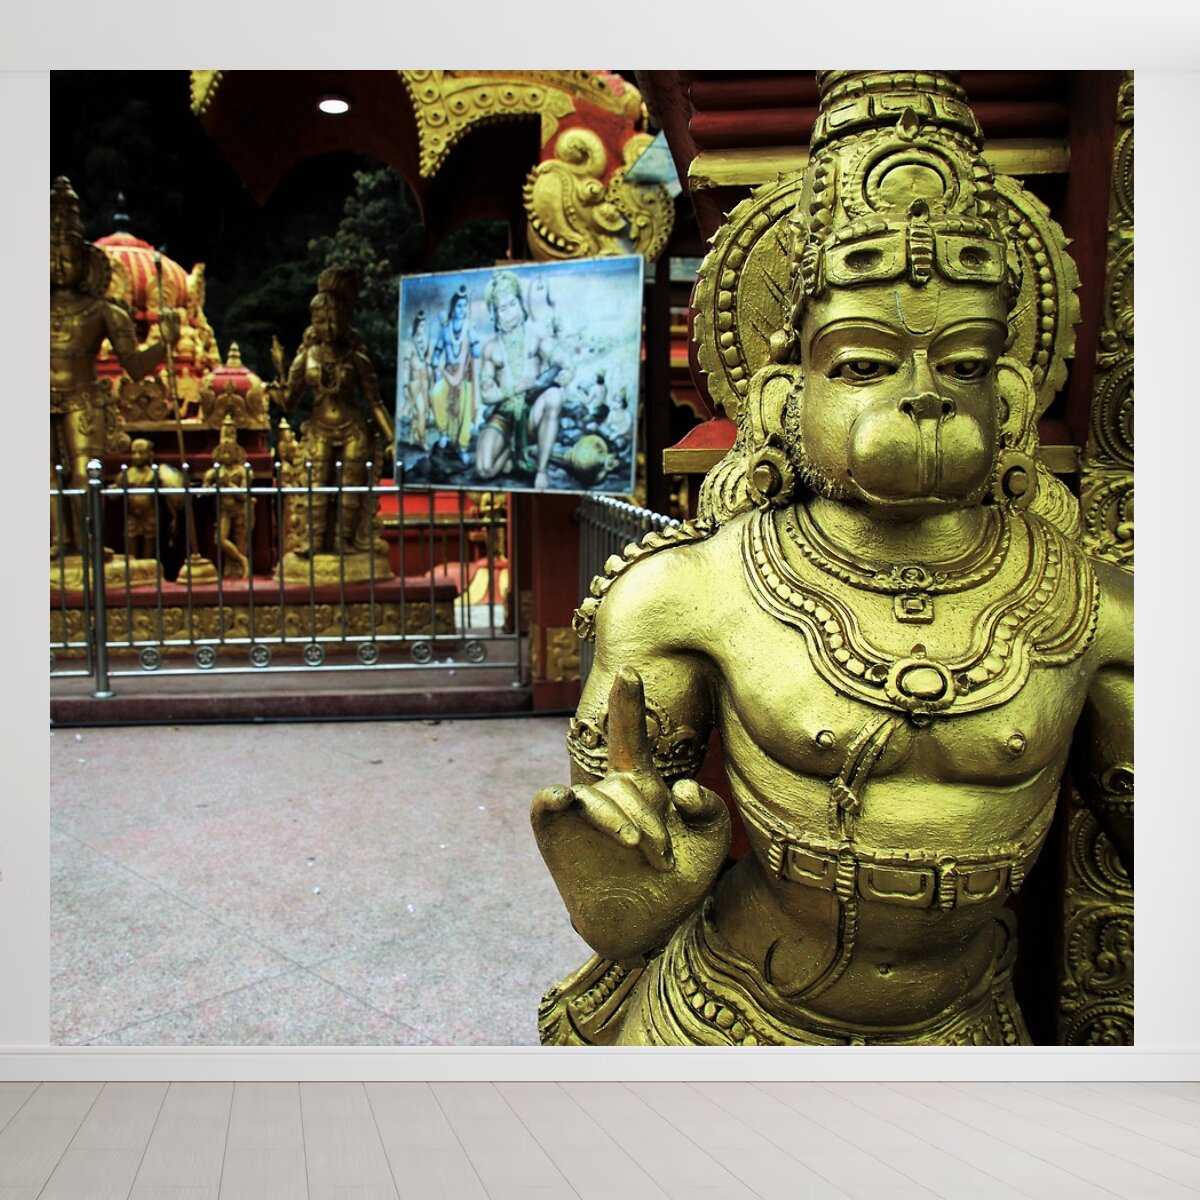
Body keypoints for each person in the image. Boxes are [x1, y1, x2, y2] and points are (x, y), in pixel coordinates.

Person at [532, 71, 1133, 1047]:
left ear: (1011, 394)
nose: (925, 395)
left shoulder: (1095, 613)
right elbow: (618, 894)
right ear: (783, 394)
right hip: (723, 1019)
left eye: (966, 363)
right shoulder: (684, 594)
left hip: (964, 1030)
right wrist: (629, 879)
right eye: (862, 363)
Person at [50, 177, 179, 554]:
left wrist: (165, 343)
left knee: (83, 472)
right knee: (49, 476)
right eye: (51, 257)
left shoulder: (102, 310)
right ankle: (60, 542)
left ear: (86, 263)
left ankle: (88, 542)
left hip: (84, 398)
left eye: (67, 258)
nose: (58, 266)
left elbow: (135, 365)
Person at [270, 267, 394, 556]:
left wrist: (392, 438)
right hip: (319, 428)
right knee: (317, 484)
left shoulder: (356, 358)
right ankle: (314, 541)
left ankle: (344, 541)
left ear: (344, 320)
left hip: (353, 429)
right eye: (320, 321)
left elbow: (375, 402)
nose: (327, 327)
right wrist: (277, 380)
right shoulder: (305, 358)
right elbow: (289, 401)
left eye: (333, 320)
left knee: (350, 488)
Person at [475, 270, 574, 490]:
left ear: (520, 304)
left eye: (512, 304)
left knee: (554, 396)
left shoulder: (536, 335)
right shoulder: (491, 349)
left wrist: (569, 370)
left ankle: (541, 470)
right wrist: (513, 389)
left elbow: (561, 358)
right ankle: (512, 451)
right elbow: (486, 394)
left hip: (532, 412)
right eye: (502, 309)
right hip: (505, 414)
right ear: (495, 315)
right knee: (484, 469)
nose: (510, 313)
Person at [429, 286, 480, 459]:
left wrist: (473, 341)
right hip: (448, 372)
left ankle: (463, 447)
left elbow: (477, 353)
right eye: (459, 306)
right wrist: (435, 360)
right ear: (453, 307)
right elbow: (438, 350)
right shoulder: (446, 329)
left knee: (465, 411)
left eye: (464, 306)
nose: (462, 309)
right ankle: (443, 432)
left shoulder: (469, 327)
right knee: (436, 394)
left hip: (464, 376)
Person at [202, 415, 251, 578]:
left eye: (230, 453)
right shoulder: (214, 472)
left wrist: (228, 484)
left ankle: (239, 567)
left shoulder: (242, 471)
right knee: (220, 539)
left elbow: (243, 496)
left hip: (240, 510)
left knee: (241, 540)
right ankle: (241, 560)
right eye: (223, 453)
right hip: (224, 510)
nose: (226, 456)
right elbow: (203, 492)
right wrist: (214, 486)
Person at [398, 310, 432, 447]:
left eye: (424, 325)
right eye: (421, 326)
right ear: (416, 326)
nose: (423, 328)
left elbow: (428, 360)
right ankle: (422, 439)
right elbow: (406, 365)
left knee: (422, 411)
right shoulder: (410, 344)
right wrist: (405, 385)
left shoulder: (427, 340)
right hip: (414, 381)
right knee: (420, 410)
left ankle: (413, 435)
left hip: (425, 380)